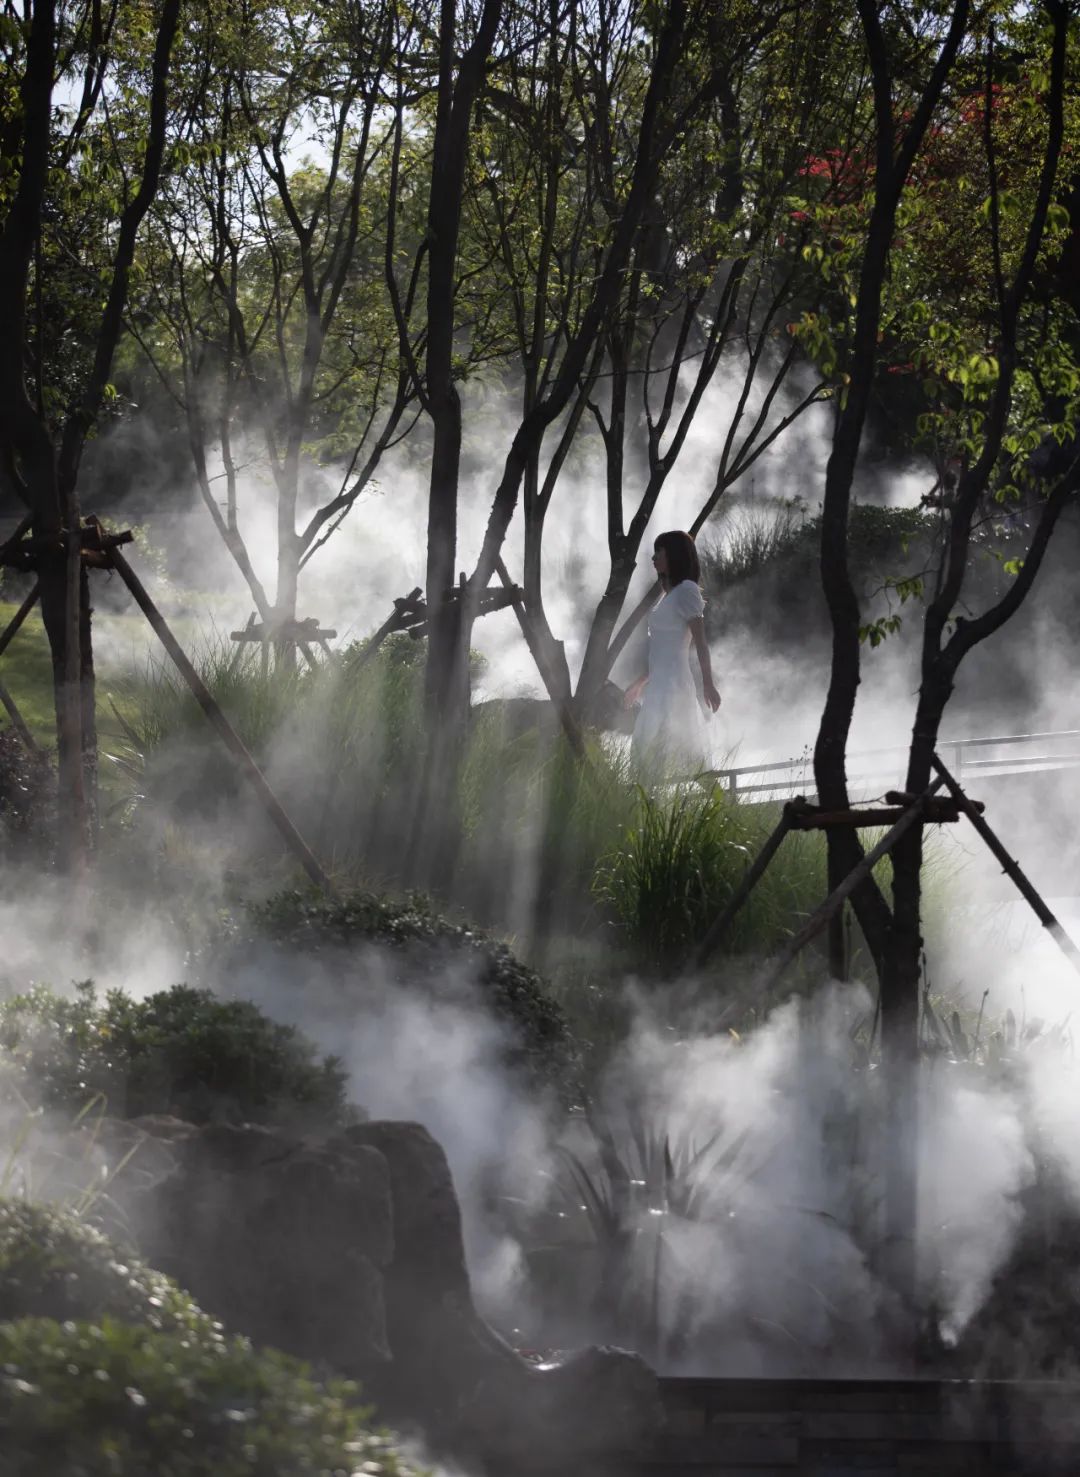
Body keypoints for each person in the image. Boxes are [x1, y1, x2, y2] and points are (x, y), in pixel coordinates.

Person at [624, 530, 720, 772]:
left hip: (674, 684)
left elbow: (700, 641)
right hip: (659, 683)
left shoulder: (686, 590)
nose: (654, 558)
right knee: (646, 749)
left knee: (681, 747)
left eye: (660, 552)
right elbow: (661, 652)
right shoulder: (668, 596)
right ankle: (649, 805)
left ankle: (718, 800)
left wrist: (708, 684)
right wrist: (639, 683)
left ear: (673, 555)